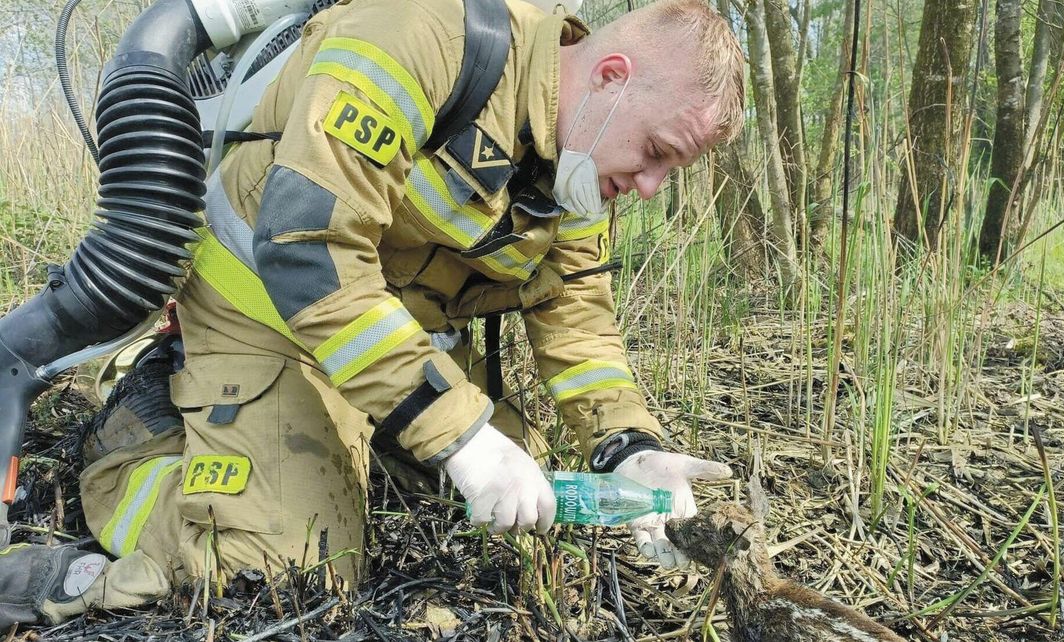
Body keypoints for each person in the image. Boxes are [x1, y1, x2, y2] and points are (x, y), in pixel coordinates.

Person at [0, 0, 744, 627]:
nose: (650, 185)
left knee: (530, 500)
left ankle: (323, 430)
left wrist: (628, 450)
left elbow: (576, 317)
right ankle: (137, 445)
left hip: (377, 336)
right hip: (264, 311)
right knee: (292, 562)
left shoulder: (584, 156)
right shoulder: (420, 37)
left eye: (669, 170)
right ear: (611, 77)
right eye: (656, 152)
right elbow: (308, 250)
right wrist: (461, 438)